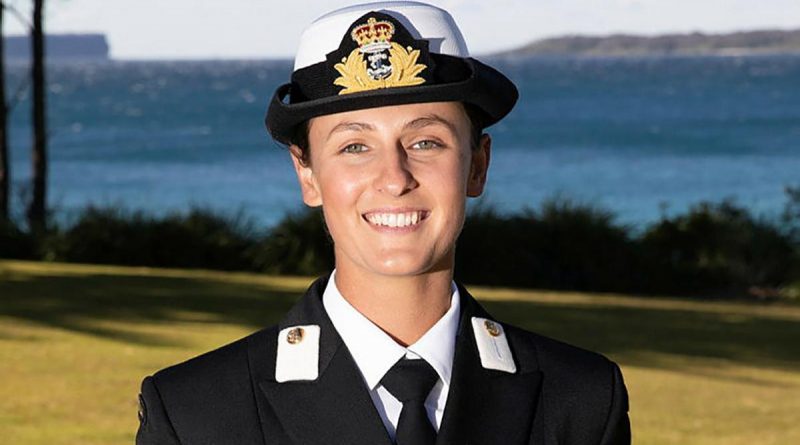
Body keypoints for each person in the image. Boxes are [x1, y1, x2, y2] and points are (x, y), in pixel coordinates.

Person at [135, 2, 631, 444]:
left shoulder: (582, 401)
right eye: (355, 147)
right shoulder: (195, 414)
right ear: (307, 174)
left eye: (425, 143)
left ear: (477, 165)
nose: (394, 179)